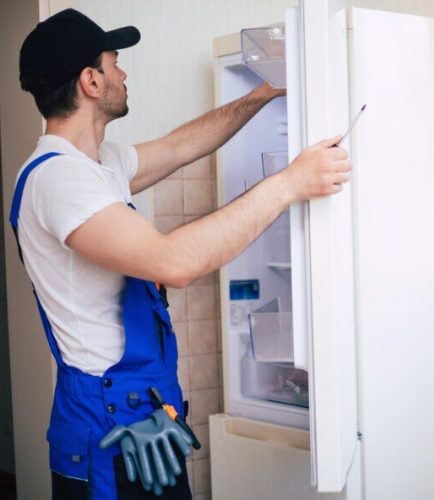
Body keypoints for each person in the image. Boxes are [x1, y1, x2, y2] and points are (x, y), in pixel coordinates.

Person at [12, 8, 351, 500]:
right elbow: (174, 262)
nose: (123, 73)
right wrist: (290, 183)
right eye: (114, 62)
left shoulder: (99, 163)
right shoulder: (57, 178)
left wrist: (264, 91)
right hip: (105, 431)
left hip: (144, 413)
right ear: (90, 81)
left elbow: (179, 147)